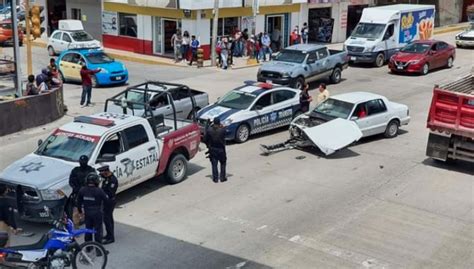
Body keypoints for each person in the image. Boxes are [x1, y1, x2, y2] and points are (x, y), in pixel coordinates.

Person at [77, 173, 108, 245]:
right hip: (97, 212)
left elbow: (78, 202)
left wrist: (80, 211)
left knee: (88, 230)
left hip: (87, 212)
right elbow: (106, 200)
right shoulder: (99, 191)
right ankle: (99, 249)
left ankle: (88, 247)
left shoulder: (82, 190)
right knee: (98, 230)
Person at [68, 155, 96, 227]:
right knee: (76, 211)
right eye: (81, 162)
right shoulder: (75, 170)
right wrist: (77, 189)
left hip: (88, 193)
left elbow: (95, 182)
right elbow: (71, 181)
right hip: (78, 193)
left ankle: (90, 223)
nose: (82, 163)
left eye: (84, 162)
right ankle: (76, 227)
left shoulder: (91, 170)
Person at [98, 165, 118, 245]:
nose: (101, 174)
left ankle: (111, 237)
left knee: (107, 219)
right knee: (108, 218)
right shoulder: (106, 178)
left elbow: (110, 193)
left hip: (110, 201)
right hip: (106, 201)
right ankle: (108, 235)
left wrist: (101, 194)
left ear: (106, 171)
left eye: (102, 172)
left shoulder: (112, 180)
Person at [204, 118, 227, 183]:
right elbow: (226, 134)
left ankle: (215, 178)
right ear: (219, 123)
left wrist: (208, 146)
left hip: (213, 149)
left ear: (213, 122)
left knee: (214, 164)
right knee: (223, 163)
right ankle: (222, 178)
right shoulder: (222, 130)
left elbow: (205, 139)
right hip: (221, 150)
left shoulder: (209, 130)